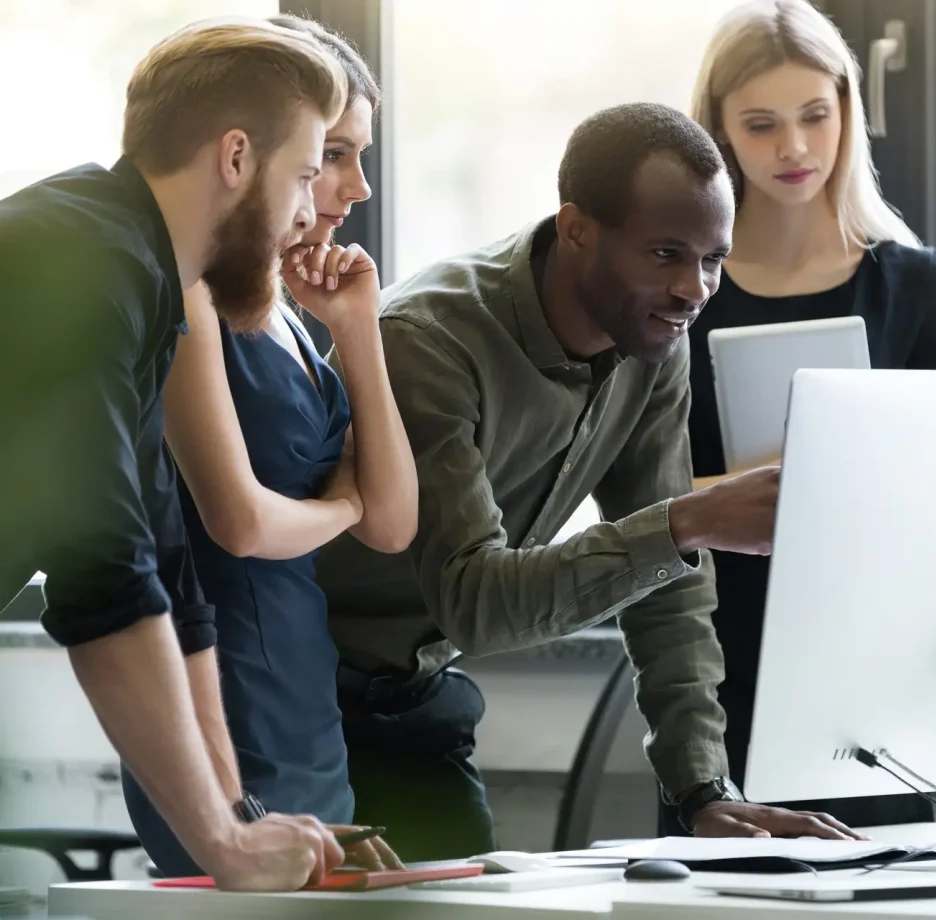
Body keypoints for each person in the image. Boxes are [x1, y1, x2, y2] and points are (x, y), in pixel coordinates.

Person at [316, 102, 867, 862]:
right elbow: (476, 603)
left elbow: (670, 587)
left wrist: (703, 791)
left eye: (713, 259)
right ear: (576, 229)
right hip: (301, 698)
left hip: (414, 694)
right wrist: (686, 523)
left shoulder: (655, 345)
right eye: (666, 253)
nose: (695, 290)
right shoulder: (430, 341)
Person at [0, 19, 355, 890]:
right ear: (235, 156)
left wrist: (236, 818)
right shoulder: (81, 259)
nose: (311, 211)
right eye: (305, 173)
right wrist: (222, 845)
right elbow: (102, 574)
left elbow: (165, 570)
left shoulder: (141, 272)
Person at [655, 0, 936, 836]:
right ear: (718, 132)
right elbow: (640, 498)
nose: (794, 148)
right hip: (715, 651)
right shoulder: (682, 294)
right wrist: (740, 499)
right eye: (760, 125)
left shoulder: (914, 286)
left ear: (847, 114)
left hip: (869, 661)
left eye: (815, 117)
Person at [119, 14, 413, 878]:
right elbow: (239, 522)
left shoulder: (282, 306)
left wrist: (358, 333)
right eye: (331, 154)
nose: (352, 186)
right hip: (228, 688)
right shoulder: (191, 293)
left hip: (302, 693)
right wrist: (344, 502)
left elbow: (392, 522)